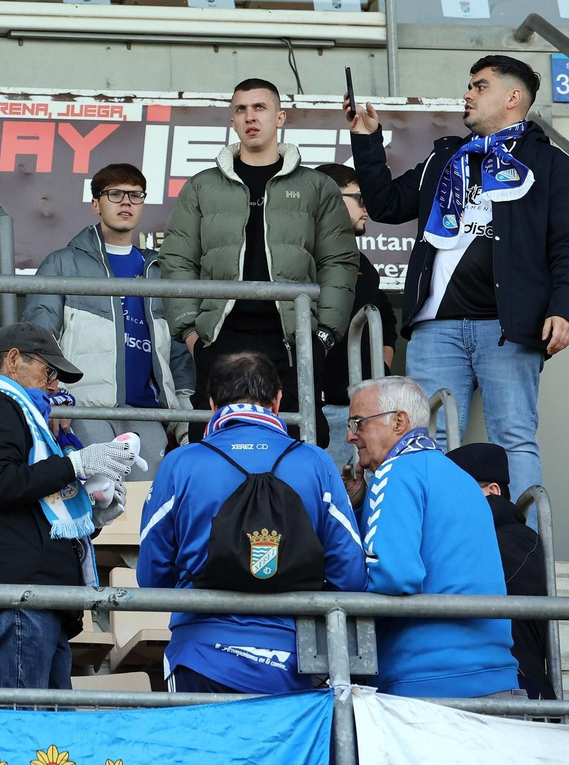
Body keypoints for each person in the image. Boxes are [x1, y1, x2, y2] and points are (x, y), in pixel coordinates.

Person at [348, 56, 569, 507]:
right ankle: (441, 546)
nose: (467, 94)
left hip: (507, 327)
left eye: (479, 86)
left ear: (512, 98)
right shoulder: (446, 155)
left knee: (514, 439)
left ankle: (524, 553)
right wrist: (367, 142)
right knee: (426, 436)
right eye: (469, 85)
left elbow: (565, 245)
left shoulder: (549, 163)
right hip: (436, 325)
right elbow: (388, 205)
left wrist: (562, 307)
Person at [137, 351, 367, 693]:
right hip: (296, 661)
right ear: (276, 401)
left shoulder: (181, 463)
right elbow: (350, 576)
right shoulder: (316, 463)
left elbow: (151, 577)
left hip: (202, 657)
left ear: (212, 404)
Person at [160, 78, 358, 445]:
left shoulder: (316, 186)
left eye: (259, 107)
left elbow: (339, 261)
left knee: (298, 443)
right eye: (241, 109)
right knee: (214, 446)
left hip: (292, 336)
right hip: (219, 335)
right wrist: (190, 333)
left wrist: (324, 334)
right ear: (232, 121)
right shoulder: (202, 186)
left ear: (280, 116)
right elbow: (176, 260)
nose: (250, 117)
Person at [0, 322, 139, 689]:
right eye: (48, 372)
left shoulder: (25, 416)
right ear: (14, 360)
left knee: (48, 737)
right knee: (24, 730)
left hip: (41, 596)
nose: (54, 385)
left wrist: (94, 516)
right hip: (18, 596)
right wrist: (74, 465)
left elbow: (39, 510)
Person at [342, 375, 519, 698]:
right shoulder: (461, 477)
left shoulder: (395, 472)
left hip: (426, 687)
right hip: (497, 681)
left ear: (399, 421)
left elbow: (395, 575)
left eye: (358, 422)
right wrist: (358, 506)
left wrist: (334, 587)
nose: (350, 436)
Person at [23, 162, 195, 475]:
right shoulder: (63, 263)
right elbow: (37, 338)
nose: (126, 202)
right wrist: (54, 398)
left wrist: (182, 410)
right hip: (81, 408)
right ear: (95, 204)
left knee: (145, 505)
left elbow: (178, 350)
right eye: (115, 194)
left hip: (147, 412)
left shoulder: (158, 270)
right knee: (96, 504)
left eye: (135, 195)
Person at [448, 442, 554, 699]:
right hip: (481, 682)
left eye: (457, 490)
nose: (447, 500)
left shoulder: (518, 538)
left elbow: (464, 578)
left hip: (518, 687)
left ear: (493, 491)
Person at [312, 163, 399, 469]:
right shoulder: (299, 257)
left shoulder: (362, 263)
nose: (368, 208)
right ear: (330, 198)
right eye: (360, 198)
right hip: (315, 409)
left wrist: (380, 367)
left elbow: (386, 319)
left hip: (360, 412)